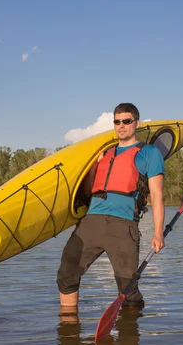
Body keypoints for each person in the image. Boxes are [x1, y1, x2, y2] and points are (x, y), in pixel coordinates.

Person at [57, 102, 165, 310]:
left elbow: (157, 196)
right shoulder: (103, 153)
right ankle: (69, 325)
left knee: (128, 288)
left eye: (126, 121)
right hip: (90, 222)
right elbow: (87, 189)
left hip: (123, 225)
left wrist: (158, 232)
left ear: (137, 123)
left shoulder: (149, 153)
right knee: (67, 273)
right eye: (117, 122)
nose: (121, 125)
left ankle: (131, 329)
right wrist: (93, 167)